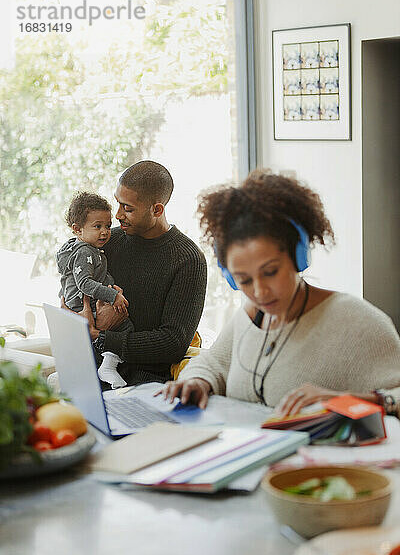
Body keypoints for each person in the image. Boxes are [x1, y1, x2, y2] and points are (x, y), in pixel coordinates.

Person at [160, 169, 400, 415]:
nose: (260, 292)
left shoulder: (358, 322)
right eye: (244, 280)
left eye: (271, 272)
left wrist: (344, 400)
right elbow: (212, 364)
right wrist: (198, 381)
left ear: (299, 256)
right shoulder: (252, 317)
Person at [69, 160, 207, 387]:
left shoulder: (189, 260)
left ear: (157, 209)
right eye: (118, 204)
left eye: (128, 208)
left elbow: (173, 343)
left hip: (143, 383)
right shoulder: (108, 242)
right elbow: (73, 287)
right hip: (87, 372)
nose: (118, 214)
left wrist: (102, 337)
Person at [57, 192, 132, 389]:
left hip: (86, 303)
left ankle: (104, 365)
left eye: (107, 226)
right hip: (83, 304)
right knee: (125, 327)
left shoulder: (89, 249)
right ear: (77, 229)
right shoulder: (84, 252)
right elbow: (84, 283)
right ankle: (107, 365)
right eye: (97, 226)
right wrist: (112, 295)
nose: (105, 232)